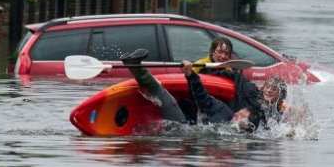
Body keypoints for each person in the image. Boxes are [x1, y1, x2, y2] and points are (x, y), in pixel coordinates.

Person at [120, 48, 287, 132]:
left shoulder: (264, 121)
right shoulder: (224, 111)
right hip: (182, 128)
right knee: (170, 100)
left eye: (243, 119)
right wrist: (191, 75)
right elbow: (202, 97)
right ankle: (134, 66)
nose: (240, 117)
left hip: (182, 133)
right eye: (243, 114)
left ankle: (134, 67)